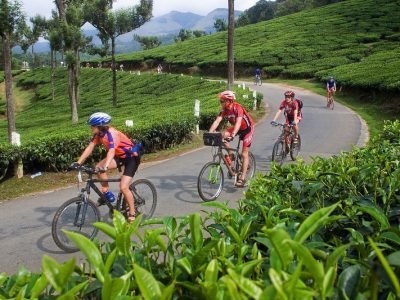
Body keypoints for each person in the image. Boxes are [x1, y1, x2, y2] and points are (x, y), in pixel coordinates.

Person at [71, 112, 141, 223]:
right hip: (119, 157)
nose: (90, 128)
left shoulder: (112, 134)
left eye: (92, 126)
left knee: (123, 187)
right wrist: (78, 162)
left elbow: (112, 150)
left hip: (131, 158)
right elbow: (90, 147)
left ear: (100, 126)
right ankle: (107, 194)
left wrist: (106, 165)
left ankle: (132, 213)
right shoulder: (99, 135)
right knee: (98, 167)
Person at [209, 90, 255, 187]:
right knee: (221, 135)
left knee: (244, 154)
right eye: (220, 101)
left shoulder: (237, 108)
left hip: (247, 129)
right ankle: (231, 154)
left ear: (229, 101)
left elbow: (238, 122)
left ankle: (242, 178)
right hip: (237, 128)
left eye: (222, 101)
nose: (220, 103)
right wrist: (210, 133)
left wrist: (233, 134)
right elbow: (217, 121)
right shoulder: (224, 110)